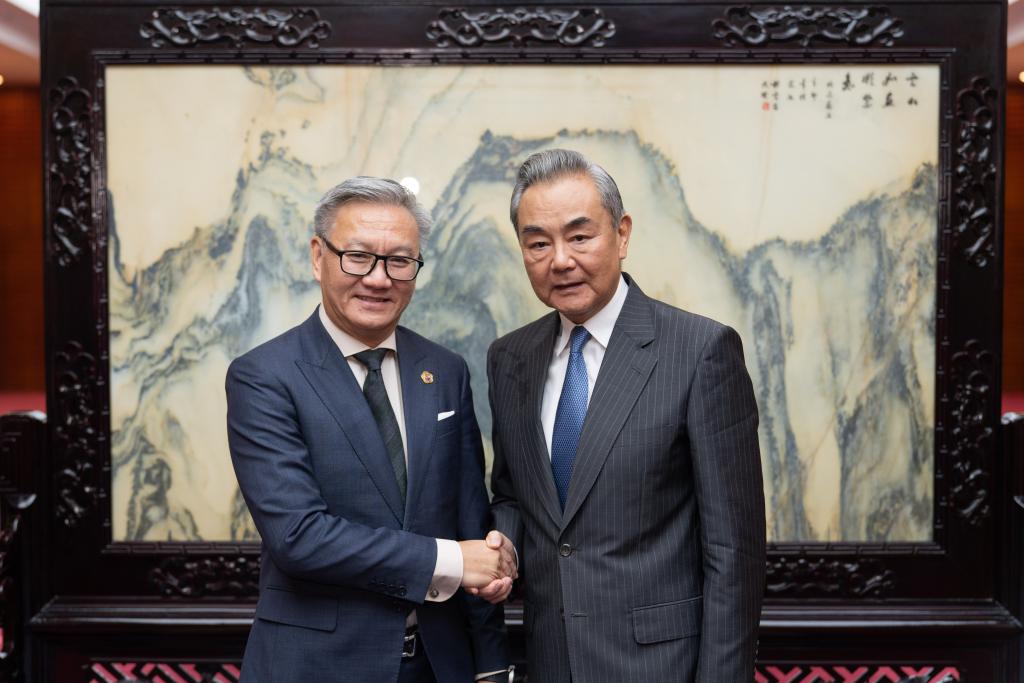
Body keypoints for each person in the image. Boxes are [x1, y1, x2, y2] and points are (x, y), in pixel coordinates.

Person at [487, 149, 766, 682]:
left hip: (661, 666)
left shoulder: (700, 351)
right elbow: (513, 495)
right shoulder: (510, 358)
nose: (560, 260)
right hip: (551, 661)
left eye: (580, 236)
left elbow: (734, 551)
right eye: (538, 243)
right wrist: (503, 550)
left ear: (622, 234)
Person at [227, 177, 514, 683]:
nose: (379, 279)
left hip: (439, 665)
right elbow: (299, 536)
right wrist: (451, 560)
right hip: (316, 668)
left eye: (400, 261)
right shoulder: (264, 376)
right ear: (318, 256)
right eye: (358, 257)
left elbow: (470, 521)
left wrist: (491, 665)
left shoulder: (444, 371)